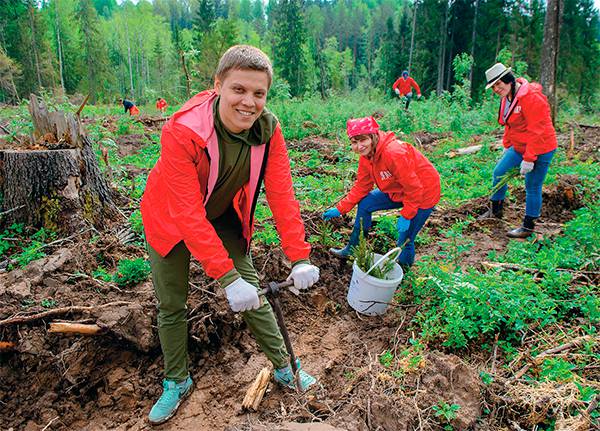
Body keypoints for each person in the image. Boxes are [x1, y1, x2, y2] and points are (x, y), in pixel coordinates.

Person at [140, 45, 320, 425]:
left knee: (252, 290)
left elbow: (282, 195)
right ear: (218, 85)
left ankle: (285, 366)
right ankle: (176, 380)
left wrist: (299, 255)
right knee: (172, 303)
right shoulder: (183, 130)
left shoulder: (269, 133)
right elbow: (187, 213)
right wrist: (225, 277)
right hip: (170, 216)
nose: (249, 102)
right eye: (239, 90)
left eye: (259, 93)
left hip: (222, 212)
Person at [322, 116, 440, 268]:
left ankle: (403, 273)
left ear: (372, 136)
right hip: (399, 189)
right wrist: (340, 208)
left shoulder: (393, 153)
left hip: (424, 191)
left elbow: (414, 188)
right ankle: (353, 248)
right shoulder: (367, 156)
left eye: (363, 140)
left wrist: (407, 214)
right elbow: (362, 186)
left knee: (405, 239)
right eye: (354, 142)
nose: (359, 146)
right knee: (366, 203)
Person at [480, 63, 557, 238]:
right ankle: (496, 210)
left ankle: (528, 227)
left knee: (532, 185)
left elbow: (537, 130)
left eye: (499, 84)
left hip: (541, 146)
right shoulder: (507, 97)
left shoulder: (531, 97)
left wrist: (530, 158)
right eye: (493, 87)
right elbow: (509, 124)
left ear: (509, 80)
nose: (497, 89)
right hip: (520, 146)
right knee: (499, 172)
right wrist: (507, 146)